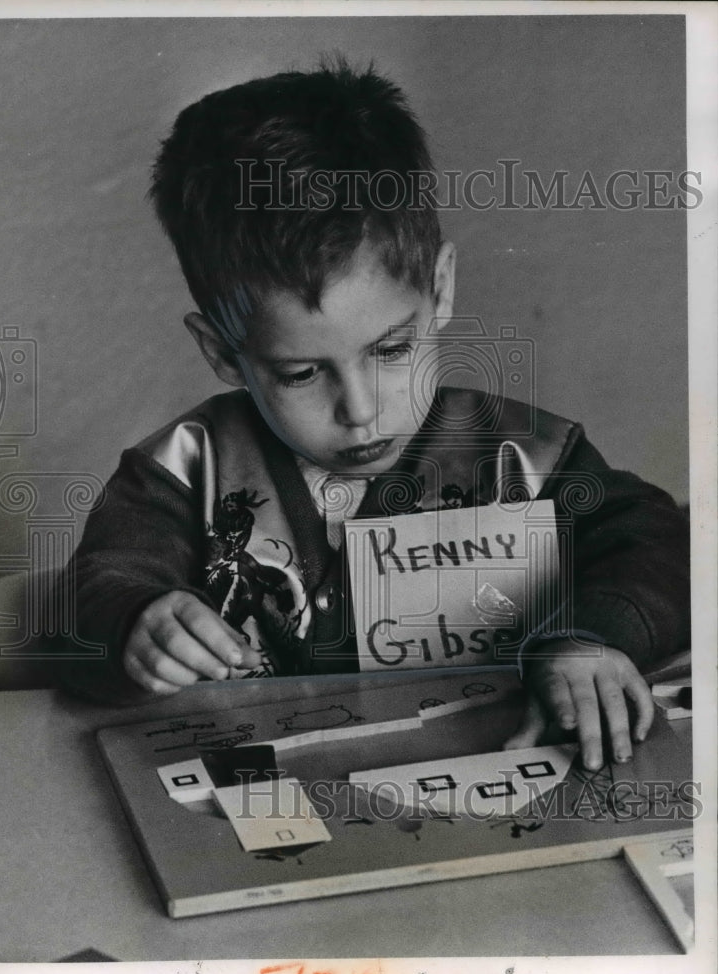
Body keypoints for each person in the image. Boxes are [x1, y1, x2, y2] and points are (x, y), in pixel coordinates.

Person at [62, 58, 690, 772]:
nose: (359, 410)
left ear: (440, 289)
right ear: (225, 353)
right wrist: (132, 624)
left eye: (391, 349)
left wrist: (591, 638)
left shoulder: (525, 457)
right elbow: (96, 591)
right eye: (300, 372)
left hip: (495, 787)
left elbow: (659, 545)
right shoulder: (180, 474)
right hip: (265, 807)